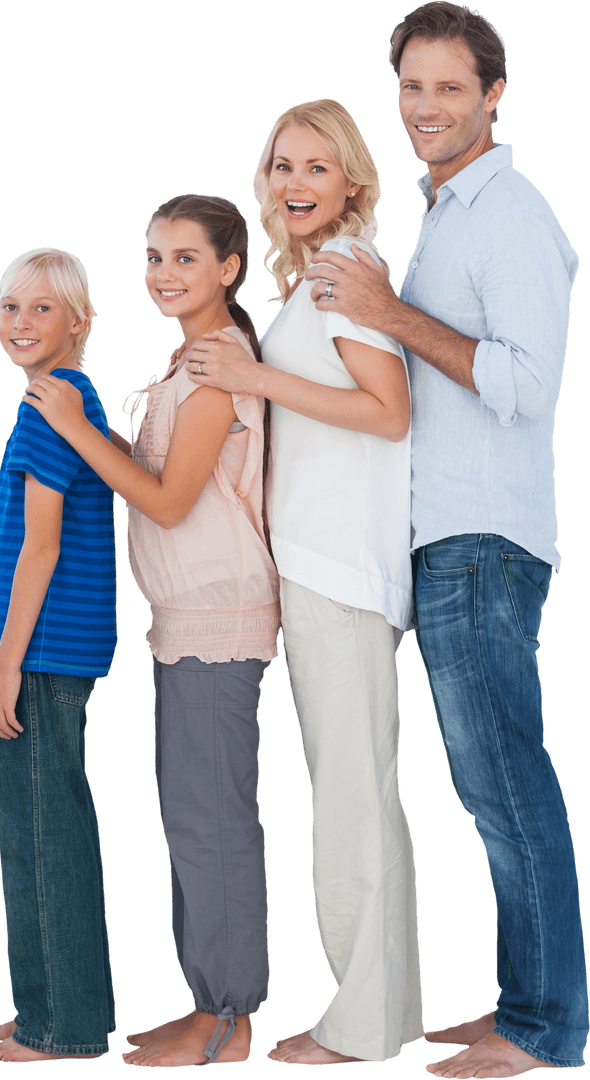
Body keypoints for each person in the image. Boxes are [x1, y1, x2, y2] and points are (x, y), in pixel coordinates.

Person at [301, 4, 588, 1077]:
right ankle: (524, 1004)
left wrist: (390, 310)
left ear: (492, 95)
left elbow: (522, 386)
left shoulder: (509, 214)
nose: (426, 108)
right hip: (445, 546)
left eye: (449, 89)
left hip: (482, 540)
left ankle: (545, 1030)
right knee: (490, 790)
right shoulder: (442, 215)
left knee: (509, 788)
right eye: (412, 88)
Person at [185, 99, 423, 1065]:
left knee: (349, 800)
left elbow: (389, 413)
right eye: (282, 164)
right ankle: (386, 1013)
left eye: (316, 167)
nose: (293, 182)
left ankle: (360, 1027)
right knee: (357, 792)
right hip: (317, 571)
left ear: (352, 184)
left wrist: (258, 383)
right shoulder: (310, 282)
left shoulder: (343, 271)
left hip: (339, 573)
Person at [23, 195, 280, 1068]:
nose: (162, 273)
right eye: (152, 256)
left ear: (228, 268)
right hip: (181, 625)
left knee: (213, 826)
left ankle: (231, 1019)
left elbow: (167, 503)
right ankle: (207, 1003)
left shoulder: (219, 367)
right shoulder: (184, 362)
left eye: (183, 258)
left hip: (219, 622)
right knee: (188, 824)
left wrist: (72, 429)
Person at [0, 248, 117, 1062]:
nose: (19, 324)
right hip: (37, 648)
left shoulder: (51, 406)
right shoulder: (57, 401)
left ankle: (67, 1027)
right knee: (25, 831)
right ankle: (39, 1009)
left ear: (79, 321)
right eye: (8, 308)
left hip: (41, 652)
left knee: (49, 834)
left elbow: (41, 549)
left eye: (40, 310)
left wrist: (6, 665)